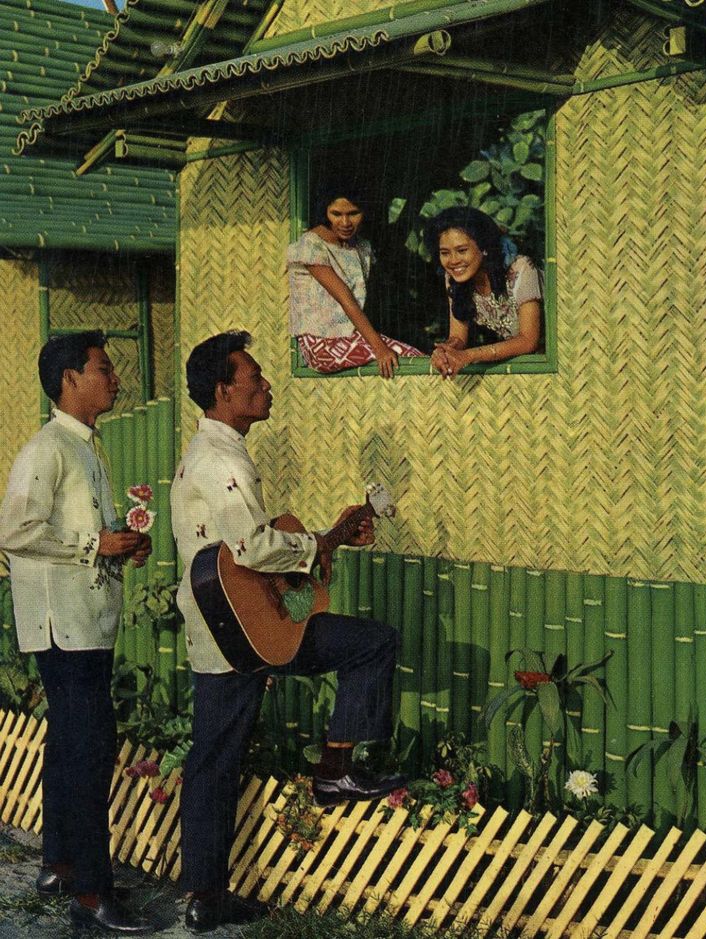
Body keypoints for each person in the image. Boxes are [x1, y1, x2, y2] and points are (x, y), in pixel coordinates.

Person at [170, 331, 406, 933]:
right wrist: (317, 543)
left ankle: (204, 895)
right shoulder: (222, 461)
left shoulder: (210, 453)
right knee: (374, 644)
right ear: (225, 392)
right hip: (239, 632)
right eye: (255, 379)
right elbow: (253, 547)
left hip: (232, 627)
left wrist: (320, 543)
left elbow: (242, 552)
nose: (267, 385)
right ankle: (335, 768)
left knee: (213, 760)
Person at [0, 332, 152, 934]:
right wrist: (95, 543)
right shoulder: (46, 449)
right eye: (104, 369)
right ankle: (92, 893)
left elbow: (79, 530)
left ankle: (59, 863)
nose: (115, 380)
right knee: (88, 751)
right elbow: (14, 531)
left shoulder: (86, 446)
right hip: (63, 626)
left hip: (83, 623)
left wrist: (120, 541)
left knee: (69, 745)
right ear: (70, 379)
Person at [287, 184, 423, 378]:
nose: (345, 222)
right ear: (324, 211)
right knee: (410, 359)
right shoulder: (311, 245)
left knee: (415, 358)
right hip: (321, 345)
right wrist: (380, 348)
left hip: (352, 337)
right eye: (336, 214)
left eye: (353, 213)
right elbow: (346, 299)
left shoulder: (361, 246)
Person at [427, 207, 543, 378]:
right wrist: (446, 351)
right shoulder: (454, 277)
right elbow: (458, 337)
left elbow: (528, 340)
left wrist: (469, 355)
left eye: (462, 250)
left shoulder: (521, 268)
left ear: (484, 247)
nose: (453, 261)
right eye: (445, 253)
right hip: (522, 370)